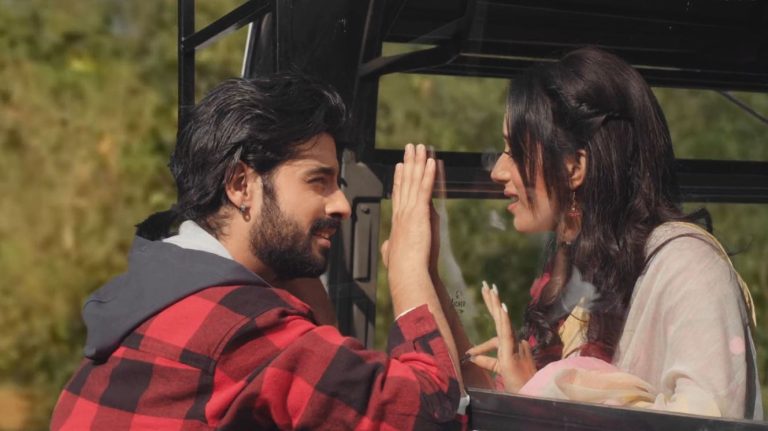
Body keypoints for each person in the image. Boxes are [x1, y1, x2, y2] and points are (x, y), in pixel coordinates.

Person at [50, 74, 466, 430]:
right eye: (318, 181)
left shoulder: (156, 296)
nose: (342, 205)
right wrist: (411, 268)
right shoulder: (245, 327)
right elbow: (435, 413)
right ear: (240, 185)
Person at [461, 47, 762, 419]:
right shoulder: (584, 269)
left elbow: (710, 419)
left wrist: (540, 393)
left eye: (516, 151)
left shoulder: (688, 268)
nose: (498, 172)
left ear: (574, 167)